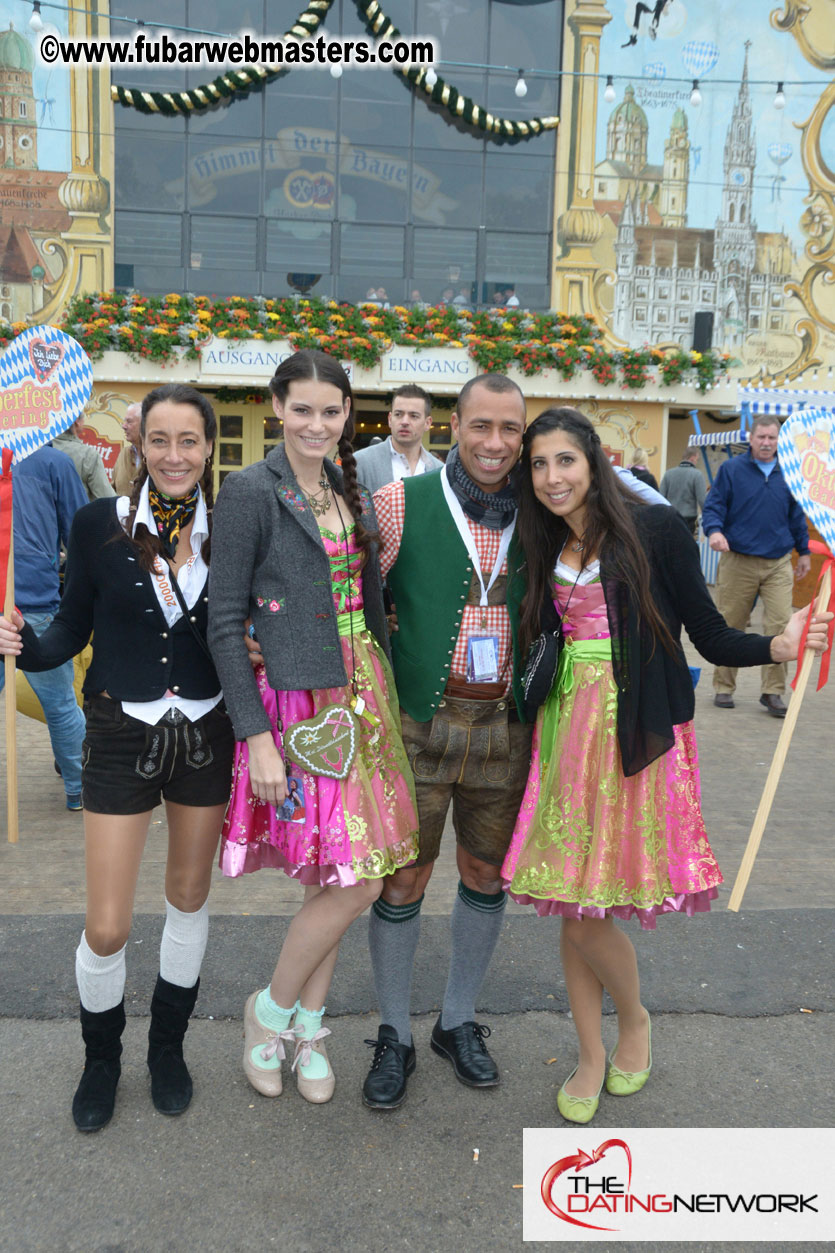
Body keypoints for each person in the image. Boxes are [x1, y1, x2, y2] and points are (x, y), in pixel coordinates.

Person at [501, 407, 830, 1124]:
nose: (552, 477)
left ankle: (636, 1020)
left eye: (564, 460)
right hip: (564, 736)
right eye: (538, 464)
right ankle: (592, 1052)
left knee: (592, 914)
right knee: (572, 906)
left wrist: (775, 647)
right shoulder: (540, 534)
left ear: (592, 460)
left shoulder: (652, 530)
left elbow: (708, 632)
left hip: (635, 733)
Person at [0, 384, 235, 1132]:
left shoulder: (233, 528)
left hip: (205, 735)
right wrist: (22, 644)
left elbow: (243, 631)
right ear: (140, 445)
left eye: (188, 441)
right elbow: (69, 629)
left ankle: (167, 1049)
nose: (173, 455)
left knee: (188, 900)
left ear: (208, 447)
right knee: (106, 925)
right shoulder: (98, 524)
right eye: (159, 440)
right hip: (119, 732)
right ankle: (101, 1058)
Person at [208, 349, 419, 1107]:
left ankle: (297, 1021)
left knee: (348, 875)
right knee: (350, 877)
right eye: (302, 409)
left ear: (346, 416)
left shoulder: (346, 484)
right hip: (297, 708)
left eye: (331, 411)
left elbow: (368, 601)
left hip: (362, 697)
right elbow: (226, 625)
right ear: (275, 406)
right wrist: (255, 734)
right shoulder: (246, 491)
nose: (316, 424)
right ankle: (269, 1015)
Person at [360, 373, 531, 1110]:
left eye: (510, 430)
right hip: (418, 721)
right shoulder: (399, 501)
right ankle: (394, 1030)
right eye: (481, 425)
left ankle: (456, 1020)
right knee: (404, 878)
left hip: (506, 724)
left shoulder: (547, 509)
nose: (495, 443)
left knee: (485, 874)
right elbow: (357, 598)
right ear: (452, 424)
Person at [701, 415, 811, 717]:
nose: (766, 443)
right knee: (731, 624)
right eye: (761, 437)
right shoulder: (731, 470)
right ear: (750, 439)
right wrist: (715, 531)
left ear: (779, 441)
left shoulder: (789, 472)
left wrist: (804, 551)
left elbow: (796, 516)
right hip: (738, 560)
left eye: (772, 438)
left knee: (779, 625)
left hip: (778, 563)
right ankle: (724, 686)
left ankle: (772, 692)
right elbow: (714, 506)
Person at [0, 443, 87, 809]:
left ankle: (79, 787)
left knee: (61, 704)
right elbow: (80, 532)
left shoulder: (52, 461)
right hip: (36, 600)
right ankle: (80, 788)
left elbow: (80, 532)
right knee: (61, 704)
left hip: (34, 602)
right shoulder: (54, 460)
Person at [354, 385, 444, 494]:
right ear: (390, 419)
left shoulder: (439, 471)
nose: (405, 421)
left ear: (427, 423)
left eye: (413, 416)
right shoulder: (360, 462)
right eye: (398, 414)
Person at [53, 413, 115, 502]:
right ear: (77, 422)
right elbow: (107, 498)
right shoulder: (88, 454)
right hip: (78, 514)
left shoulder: (37, 451)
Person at [659, 446, 707, 537]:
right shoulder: (697, 475)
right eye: (697, 459)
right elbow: (702, 500)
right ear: (693, 458)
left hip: (670, 517)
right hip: (688, 520)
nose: (697, 462)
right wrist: (708, 517)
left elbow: (660, 496)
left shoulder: (668, 473)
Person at [112, 402, 143, 497]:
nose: (124, 426)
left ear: (144, 424)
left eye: (129, 422)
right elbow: (113, 489)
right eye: (124, 421)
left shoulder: (157, 457)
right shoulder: (123, 454)